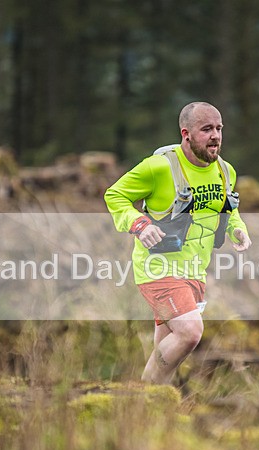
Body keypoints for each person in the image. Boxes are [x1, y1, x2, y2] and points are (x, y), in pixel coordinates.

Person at [104, 102, 251, 384]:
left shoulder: (225, 171)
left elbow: (229, 211)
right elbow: (115, 196)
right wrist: (139, 224)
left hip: (195, 271)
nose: (216, 136)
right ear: (186, 133)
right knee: (190, 332)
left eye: (219, 129)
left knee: (168, 352)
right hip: (157, 268)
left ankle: (148, 405)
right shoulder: (158, 168)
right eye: (206, 129)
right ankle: (143, 394)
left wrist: (238, 230)